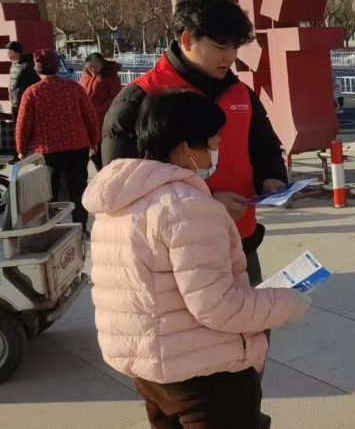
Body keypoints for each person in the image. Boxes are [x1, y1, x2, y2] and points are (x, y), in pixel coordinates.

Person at [83, 89, 310, 429]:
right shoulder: (187, 207)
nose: (216, 151)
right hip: (204, 376)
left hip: (151, 371)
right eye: (212, 143)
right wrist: (287, 303)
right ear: (186, 147)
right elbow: (218, 306)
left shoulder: (119, 200)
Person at [101, 0, 287, 288]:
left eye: (235, 47)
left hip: (240, 238)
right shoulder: (141, 98)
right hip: (176, 251)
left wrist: (271, 178)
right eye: (220, 46)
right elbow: (122, 187)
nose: (230, 56)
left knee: (250, 314)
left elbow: (264, 147)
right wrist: (207, 204)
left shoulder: (240, 93)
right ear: (187, 40)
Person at [15, 49, 99, 232]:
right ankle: (80, 228)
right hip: (78, 146)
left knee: (50, 194)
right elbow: (90, 117)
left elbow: (23, 124)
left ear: (37, 69)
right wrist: (94, 140)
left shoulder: (32, 93)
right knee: (78, 189)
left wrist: (21, 149)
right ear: (57, 67)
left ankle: (55, 230)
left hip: (48, 151)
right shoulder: (74, 88)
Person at [79, 52, 122, 170]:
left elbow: (116, 97)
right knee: (92, 151)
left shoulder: (110, 76)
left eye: (96, 66)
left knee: (102, 151)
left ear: (102, 64)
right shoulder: (85, 76)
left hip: (102, 119)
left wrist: (99, 109)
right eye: (90, 67)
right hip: (87, 120)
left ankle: (105, 171)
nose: (93, 69)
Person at [5, 41, 39, 121]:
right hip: (14, 104)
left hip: (25, 105)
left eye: (8, 52)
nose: (7, 54)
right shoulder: (13, 64)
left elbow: (35, 84)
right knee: (16, 126)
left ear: (12, 52)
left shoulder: (28, 65)